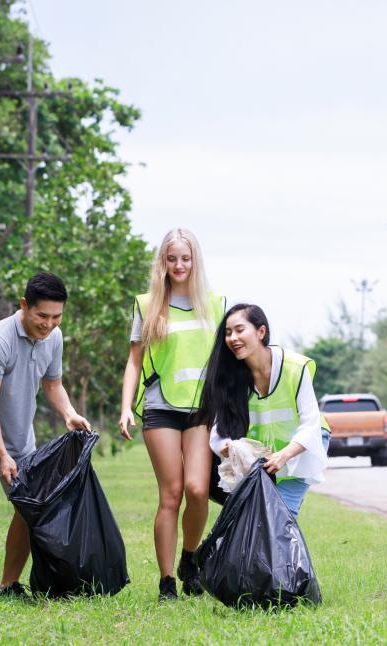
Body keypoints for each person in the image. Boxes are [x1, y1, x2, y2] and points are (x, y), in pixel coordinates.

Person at [0, 272, 91, 601]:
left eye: (57, 317)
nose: (49, 324)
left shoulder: (54, 338)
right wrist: (2, 455)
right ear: (24, 306)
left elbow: (52, 384)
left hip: (21, 437)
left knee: (29, 509)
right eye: (42, 315)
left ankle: (8, 585)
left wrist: (69, 414)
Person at [118, 228, 225, 602]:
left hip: (201, 410)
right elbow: (134, 361)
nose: (179, 265)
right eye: (171, 258)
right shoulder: (147, 305)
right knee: (172, 494)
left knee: (198, 490)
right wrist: (125, 407)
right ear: (162, 262)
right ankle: (167, 583)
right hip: (161, 407)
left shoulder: (215, 304)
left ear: (195, 261)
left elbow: (228, 360)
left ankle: (189, 559)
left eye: (185, 258)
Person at [197, 303, 330, 520]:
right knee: (256, 518)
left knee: (281, 516)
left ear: (261, 332)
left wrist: (283, 456)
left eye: (240, 330)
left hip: (300, 449)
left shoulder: (295, 367)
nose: (232, 338)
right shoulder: (230, 377)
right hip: (264, 457)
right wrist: (230, 448)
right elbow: (218, 434)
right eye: (228, 333)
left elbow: (311, 424)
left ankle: (282, 554)